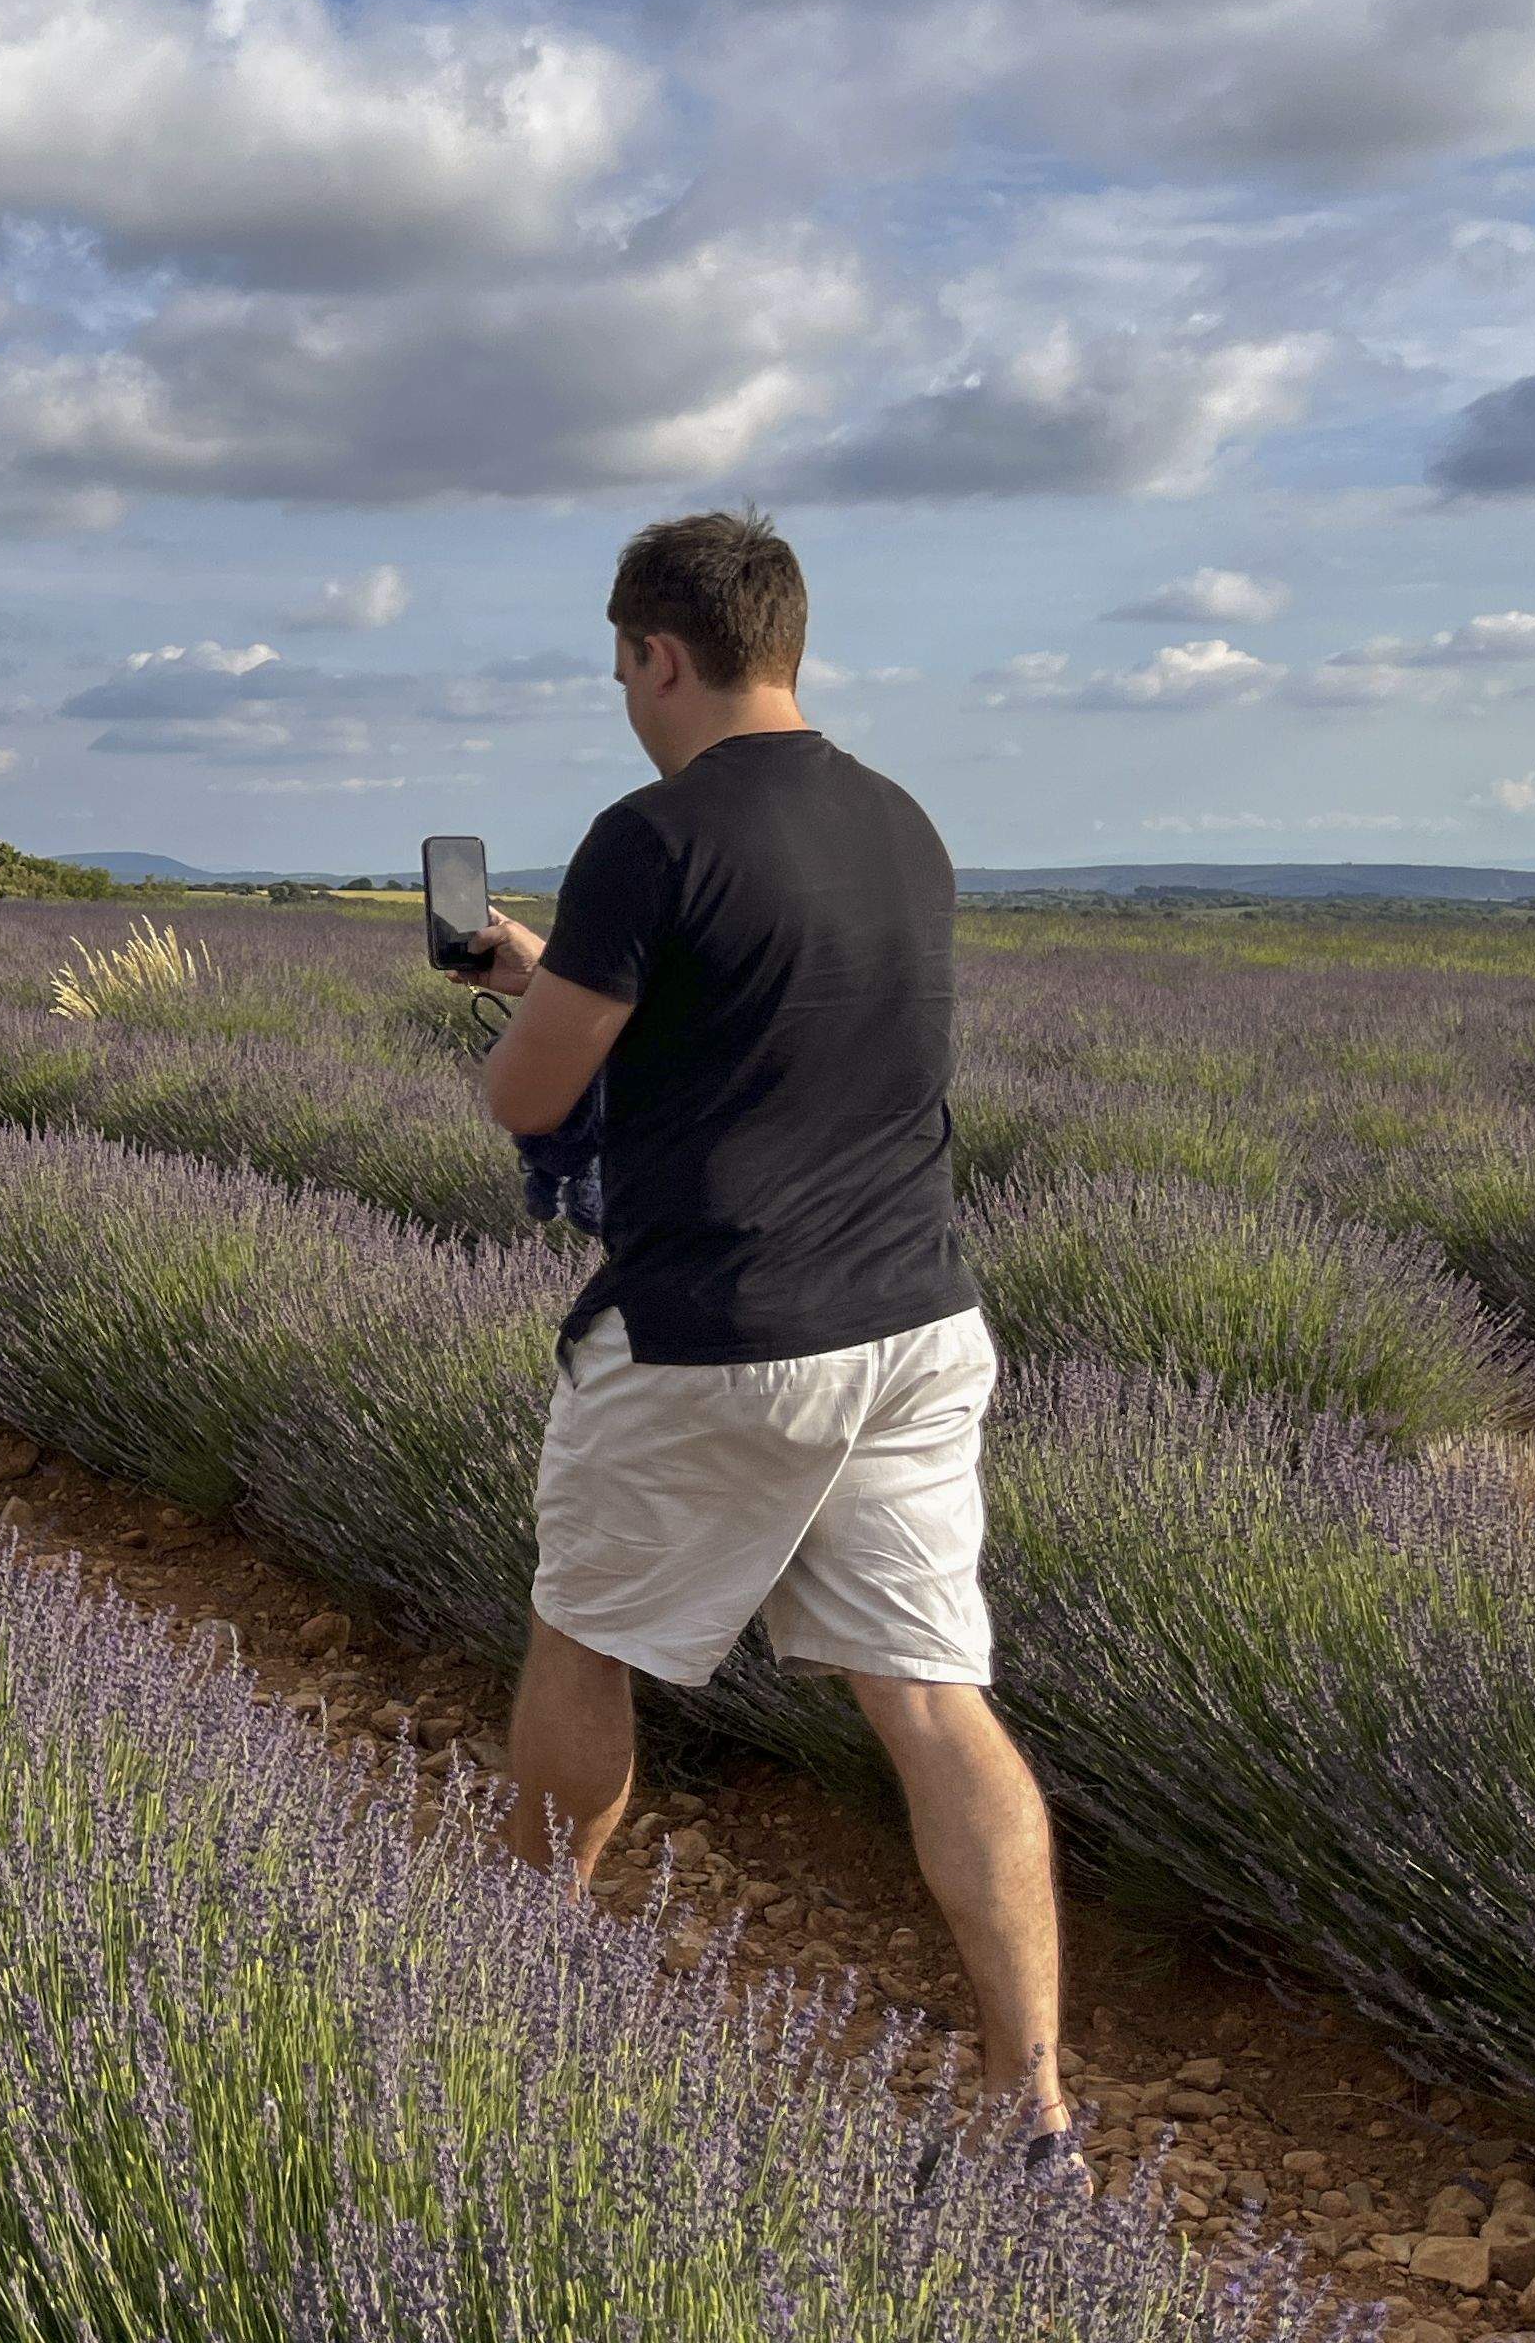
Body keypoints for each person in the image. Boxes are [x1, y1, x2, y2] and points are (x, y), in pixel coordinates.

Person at [455, 509, 1079, 2178]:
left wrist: (517, 1000)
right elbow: (756, 1026)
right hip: (918, 1322)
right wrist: (555, 968)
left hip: (715, 1328)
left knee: (584, 1642)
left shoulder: (647, 836)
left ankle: (510, 1979)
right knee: (936, 1702)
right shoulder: (901, 823)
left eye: (621, 669)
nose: (624, 701)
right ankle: (1035, 2108)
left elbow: (529, 1090)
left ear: (662, 651)